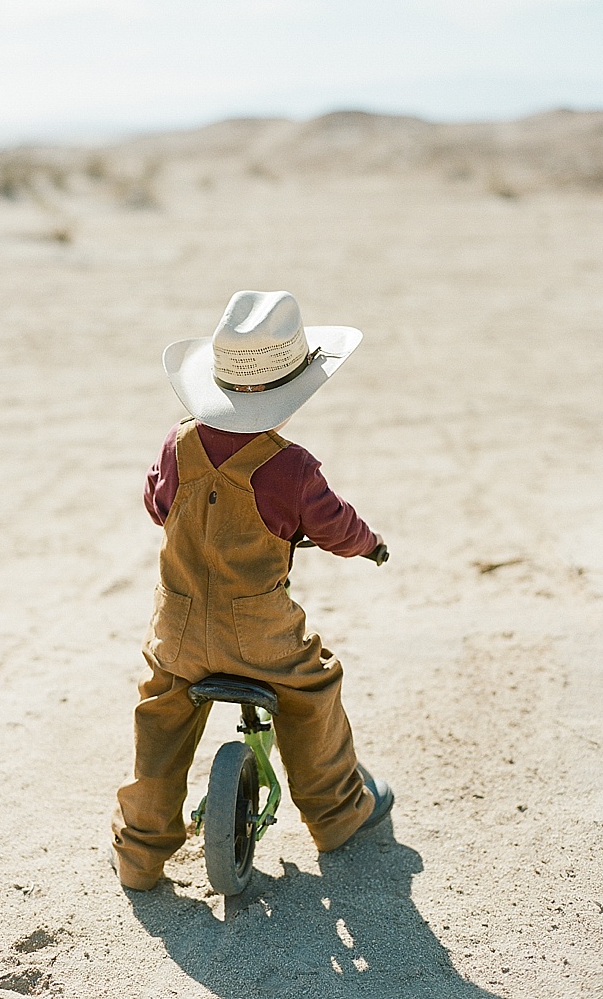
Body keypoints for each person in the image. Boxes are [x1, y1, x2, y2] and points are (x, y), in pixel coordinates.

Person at [110, 290, 393, 891]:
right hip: (262, 635)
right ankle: (339, 813)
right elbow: (336, 524)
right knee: (313, 687)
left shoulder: (178, 443)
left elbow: (157, 504)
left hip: (178, 631)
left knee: (160, 711)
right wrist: (368, 545)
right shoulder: (292, 469)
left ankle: (138, 853)